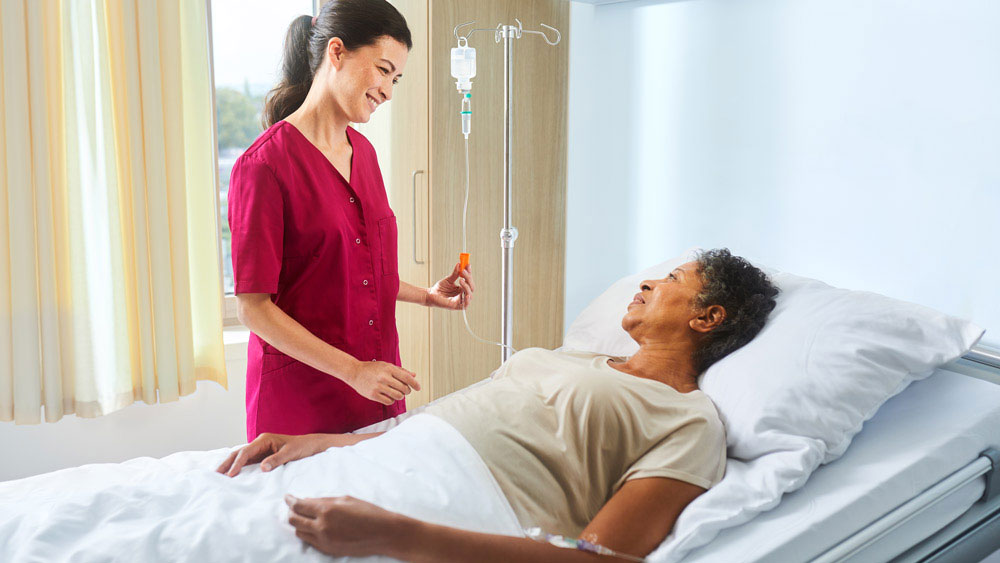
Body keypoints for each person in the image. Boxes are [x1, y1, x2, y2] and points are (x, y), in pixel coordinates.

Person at [218, 249, 780, 561]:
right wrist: (333, 442)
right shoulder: (574, 360)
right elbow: (449, 421)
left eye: (673, 278)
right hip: (382, 461)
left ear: (707, 318)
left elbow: (599, 560)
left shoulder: (688, 420)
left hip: (438, 507)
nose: (648, 282)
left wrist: (394, 534)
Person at [227, 0, 475, 441]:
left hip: (376, 388)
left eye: (396, 78)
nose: (388, 91)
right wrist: (353, 371)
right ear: (337, 53)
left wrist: (428, 296)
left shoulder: (365, 155)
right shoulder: (264, 165)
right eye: (382, 70)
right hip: (303, 401)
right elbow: (254, 308)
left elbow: (356, 271)